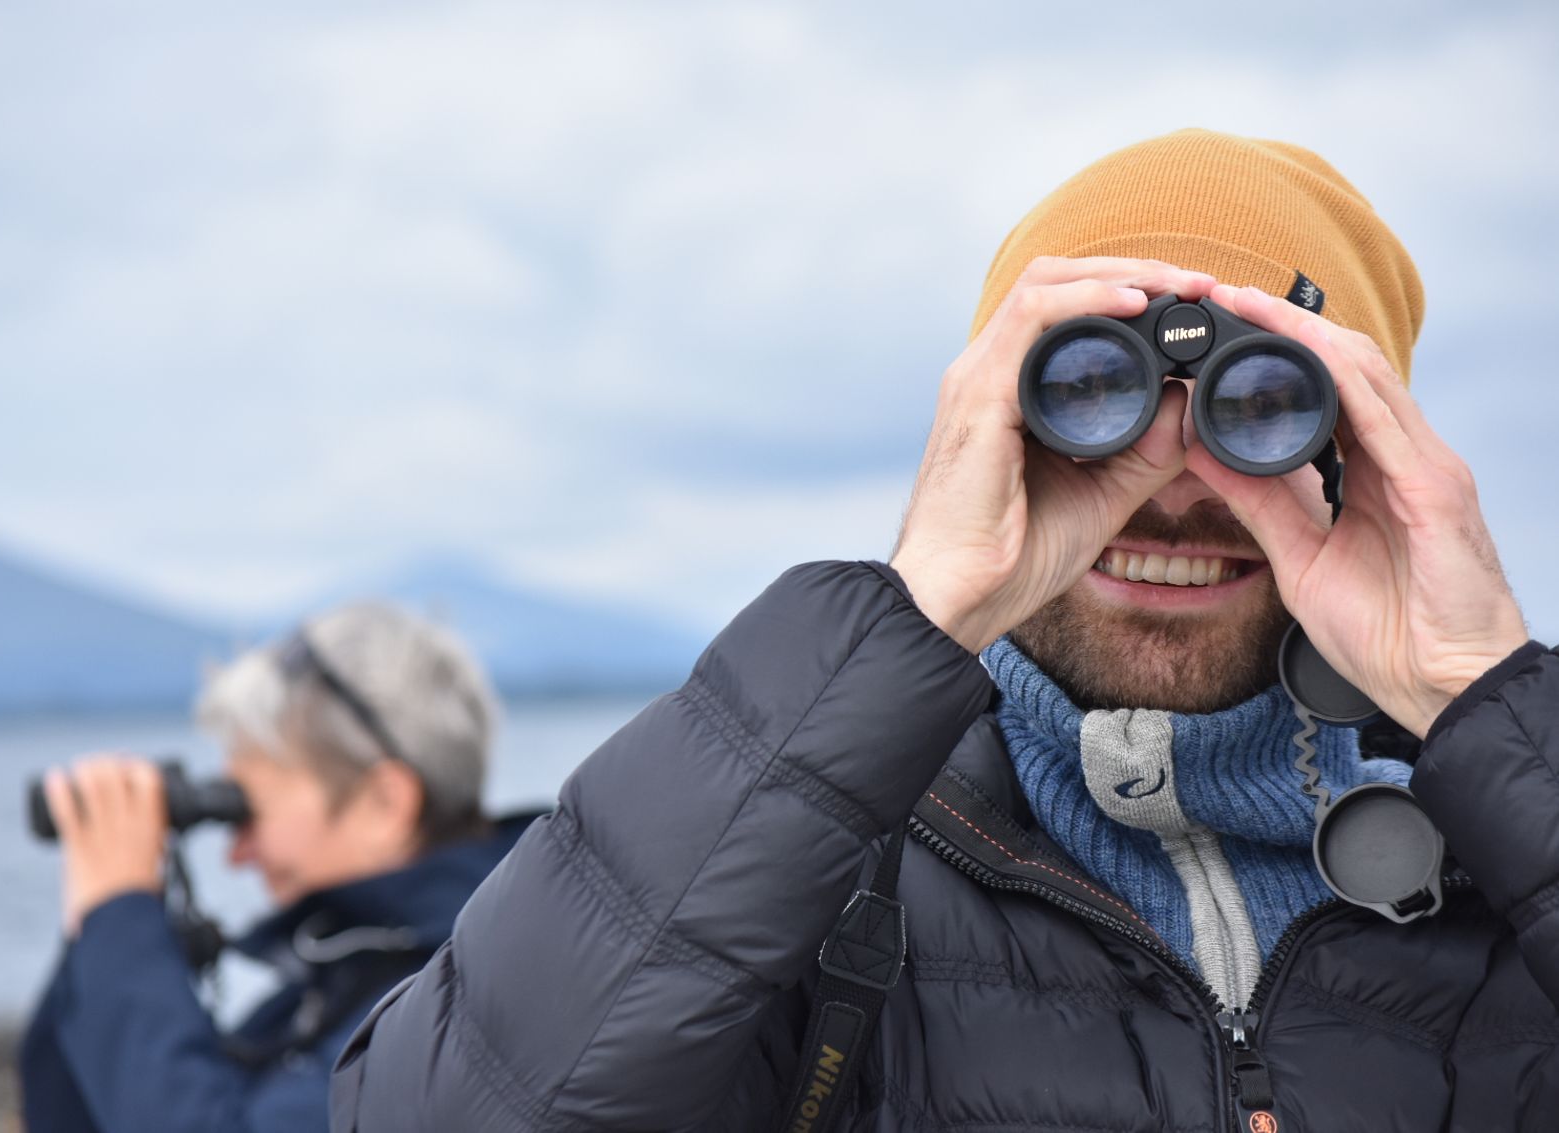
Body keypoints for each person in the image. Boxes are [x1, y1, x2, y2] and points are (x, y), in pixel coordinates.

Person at [330, 130, 1559, 1131]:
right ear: (995, 421)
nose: (1176, 484)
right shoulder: (818, 864)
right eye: (1094, 392)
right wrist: (909, 615)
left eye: (1263, 404)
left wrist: (1483, 702)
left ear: (1364, 459)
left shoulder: (1506, 861)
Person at [17, 602, 531, 1132]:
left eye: (247, 810)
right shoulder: (350, 972)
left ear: (383, 803)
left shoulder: (449, 1009)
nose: (235, 854)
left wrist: (122, 922)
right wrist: (98, 930)